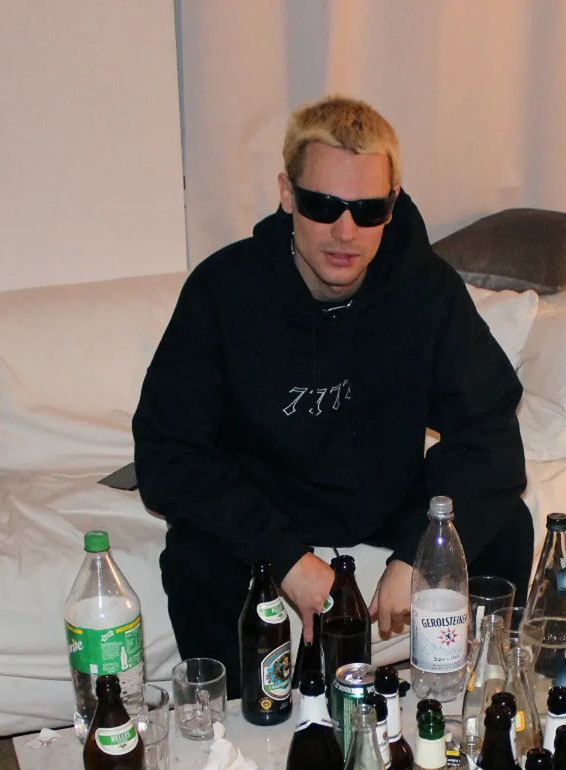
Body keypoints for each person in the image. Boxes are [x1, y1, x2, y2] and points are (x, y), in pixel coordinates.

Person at [133, 96, 532, 695]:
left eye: (368, 211)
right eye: (323, 206)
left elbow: (490, 432)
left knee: (504, 525)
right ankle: (242, 725)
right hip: (267, 497)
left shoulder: (425, 290)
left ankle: (480, 700)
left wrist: (418, 555)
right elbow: (166, 453)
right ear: (287, 194)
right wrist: (287, 560)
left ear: (392, 204)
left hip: (382, 494)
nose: (346, 232)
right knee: (194, 557)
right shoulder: (224, 291)